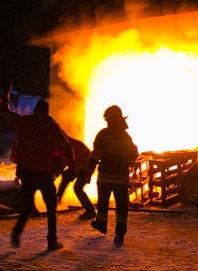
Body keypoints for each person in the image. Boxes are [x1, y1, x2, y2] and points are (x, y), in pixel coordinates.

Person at [5, 96, 75, 251]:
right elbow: (67, 147)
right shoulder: (52, 127)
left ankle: (17, 232)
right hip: (44, 173)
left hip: (26, 172)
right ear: (47, 111)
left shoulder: (25, 122)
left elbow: (7, 114)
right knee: (51, 207)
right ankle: (52, 241)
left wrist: (6, 95)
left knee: (27, 206)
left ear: (35, 110)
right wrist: (72, 166)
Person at [90, 105, 139, 245]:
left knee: (103, 204)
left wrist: (88, 172)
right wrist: (126, 163)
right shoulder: (125, 136)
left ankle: (101, 224)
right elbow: (134, 154)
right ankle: (120, 234)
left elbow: (95, 156)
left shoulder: (103, 135)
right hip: (122, 179)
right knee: (121, 208)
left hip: (105, 177)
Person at [56, 134, 96, 220]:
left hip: (85, 168)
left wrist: (55, 174)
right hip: (79, 167)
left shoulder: (67, 145)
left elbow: (64, 161)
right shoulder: (68, 143)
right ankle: (57, 199)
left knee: (78, 188)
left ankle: (90, 211)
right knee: (66, 176)